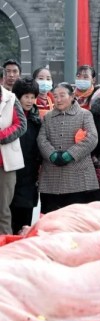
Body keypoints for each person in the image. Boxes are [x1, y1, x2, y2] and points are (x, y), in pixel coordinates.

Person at [37, 83, 98, 213]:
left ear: (72, 96)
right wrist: (52, 155)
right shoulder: (48, 117)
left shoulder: (84, 114)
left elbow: (92, 138)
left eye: (62, 95)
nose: (58, 100)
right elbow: (41, 139)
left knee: (77, 220)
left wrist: (69, 154)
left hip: (79, 177)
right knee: (51, 221)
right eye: (55, 96)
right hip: (52, 176)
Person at [9, 78, 42, 233]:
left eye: (32, 97)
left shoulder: (37, 120)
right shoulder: (8, 117)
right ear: (18, 97)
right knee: (8, 216)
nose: (30, 101)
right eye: (26, 96)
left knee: (25, 223)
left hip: (29, 174)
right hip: (11, 170)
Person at [0, 77, 27, 234]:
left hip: (5, 163)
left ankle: (4, 251)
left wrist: (2, 136)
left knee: (3, 210)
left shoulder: (10, 98)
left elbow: (21, 125)